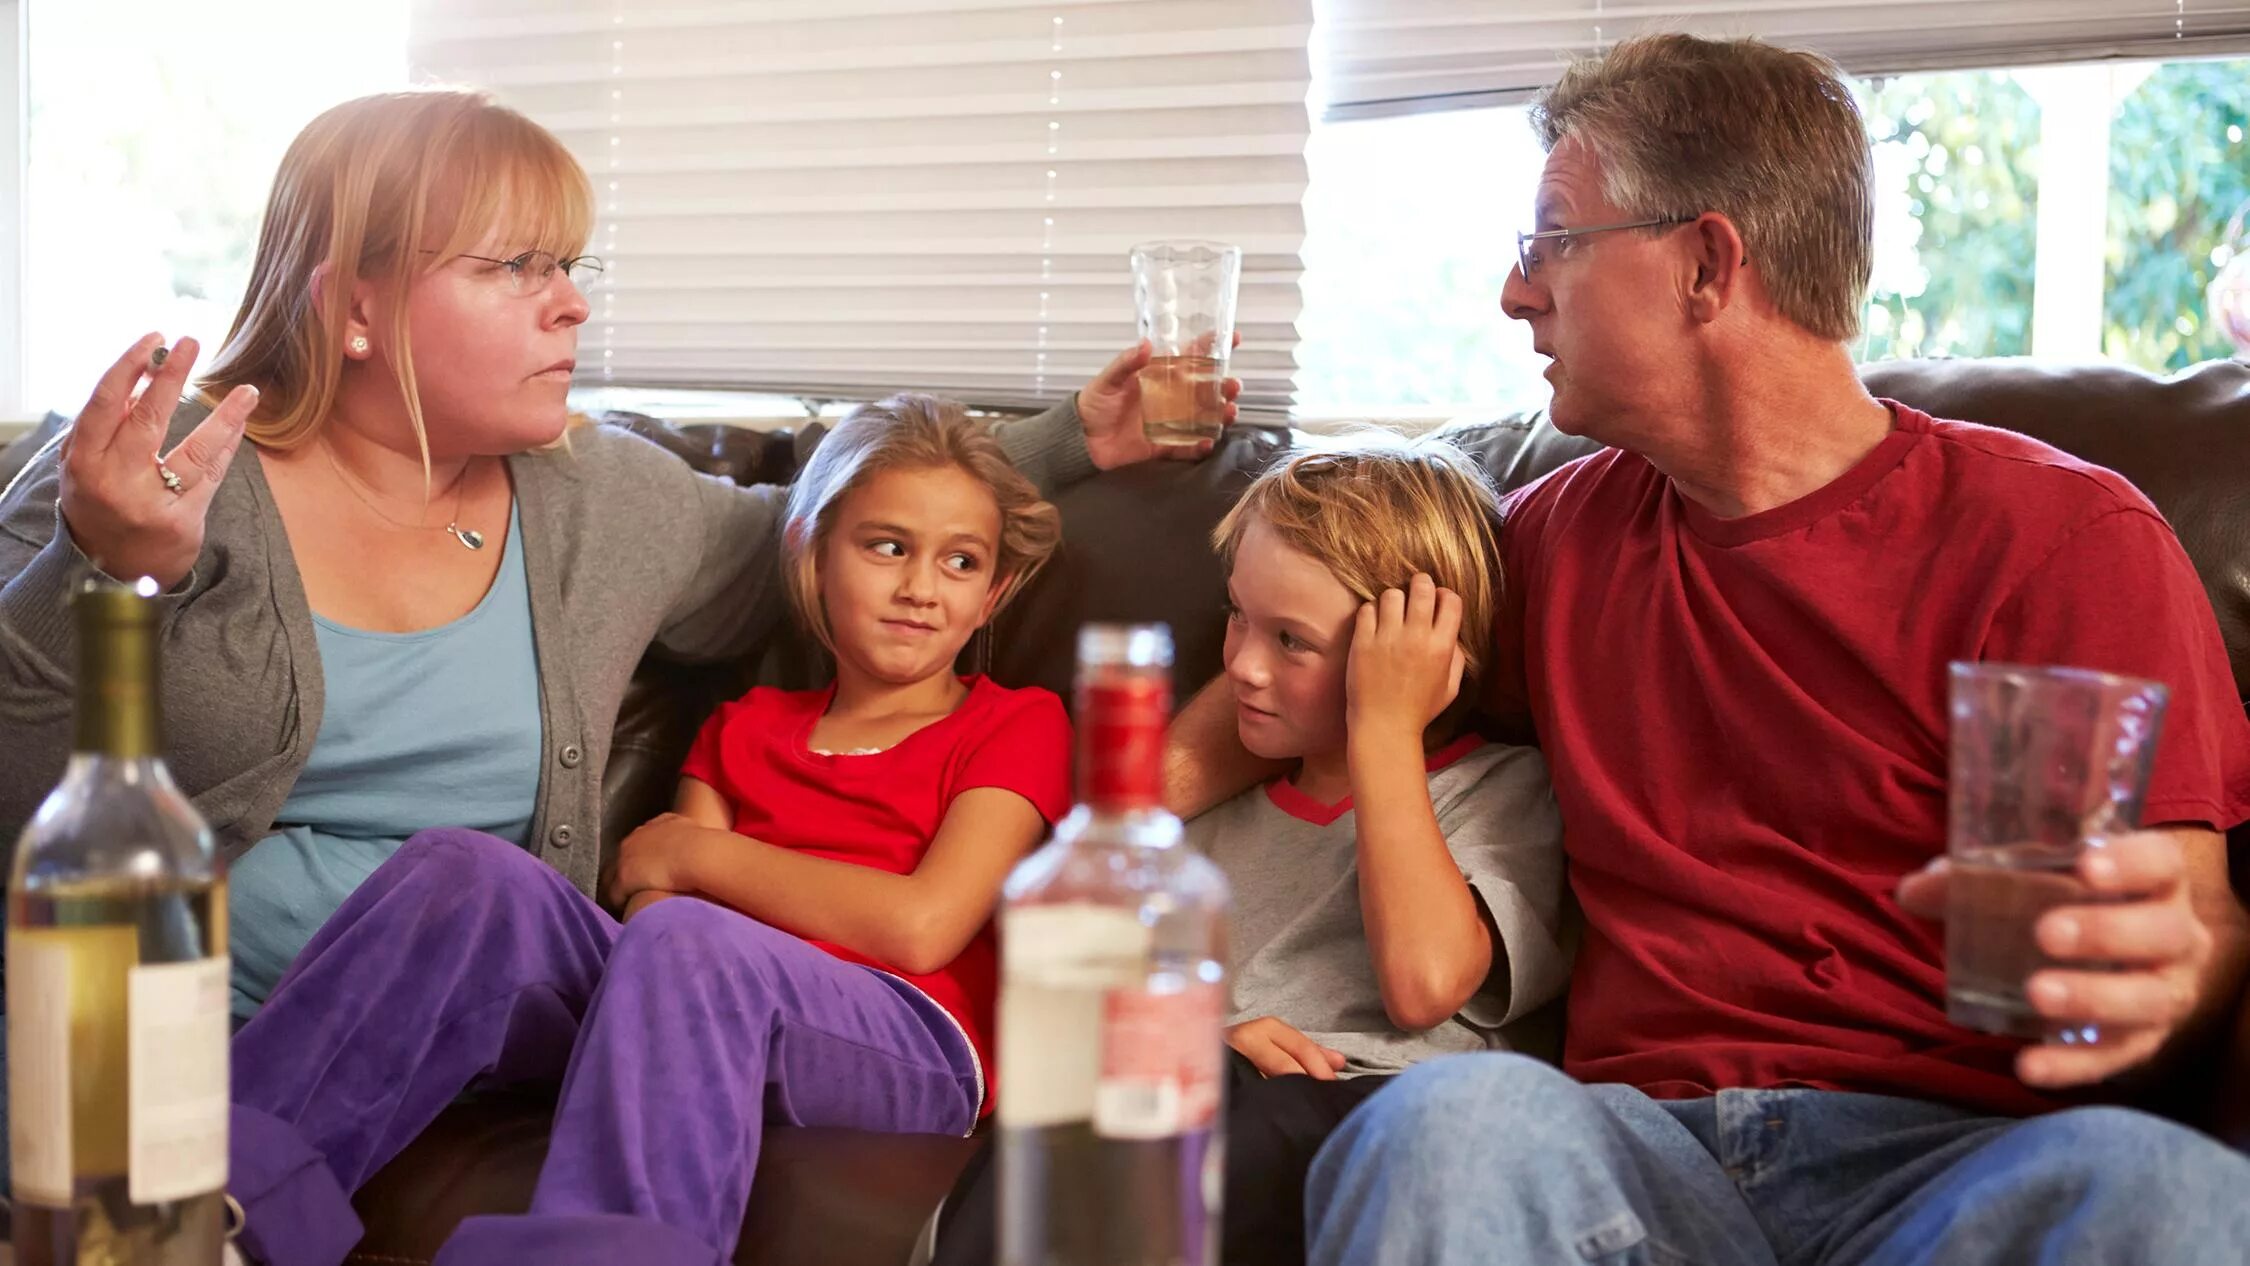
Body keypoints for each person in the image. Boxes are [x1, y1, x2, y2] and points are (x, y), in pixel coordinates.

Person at [0, 89, 1228, 1264]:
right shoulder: (149, 470)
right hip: (150, 1020)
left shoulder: (605, 502)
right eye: (511, 268)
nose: (569, 308)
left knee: (469, 878)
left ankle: (172, 1222)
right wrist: (95, 572)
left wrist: (1068, 438)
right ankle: (177, 1224)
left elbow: (840, 536)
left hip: (495, 1007)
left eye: (570, 267)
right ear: (356, 304)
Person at [1160, 34, 2250, 1266]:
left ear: (1706, 264)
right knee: (1447, 1129)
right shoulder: (1554, 542)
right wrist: (1113, 821)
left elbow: (2191, 924)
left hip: (1958, 1166)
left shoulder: (2060, 537)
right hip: (1632, 1156)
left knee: (2168, 1190)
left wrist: (2176, 968)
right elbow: (1307, 656)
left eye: (1551, 242)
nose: (1518, 293)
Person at [234, 392, 1072, 1266]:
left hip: (911, 1039)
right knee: (463, 871)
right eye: (887, 547)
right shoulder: (744, 726)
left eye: (961, 563)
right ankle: (215, 1208)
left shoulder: (1016, 723)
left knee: (689, 933)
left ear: (994, 595)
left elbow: (922, 923)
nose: (920, 590)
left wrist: (699, 853)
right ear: (813, 552)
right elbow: (645, 916)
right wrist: (681, 879)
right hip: (692, 999)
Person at [932, 443, 1570, 1266]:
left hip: (1386, 1125)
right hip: (1209, 1125)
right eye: (1239, 615)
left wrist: (1384, 728)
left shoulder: (1500, 792)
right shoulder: (1204, 830)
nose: (1241, 665)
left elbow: (1424, 985)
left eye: (1291, 641)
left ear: (1415, 655)